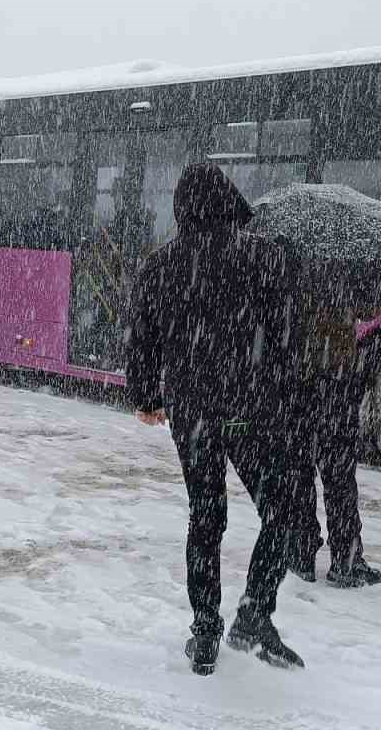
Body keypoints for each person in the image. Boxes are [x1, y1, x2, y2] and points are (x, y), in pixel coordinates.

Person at [127, 163, 302, 676]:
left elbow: (142, 339)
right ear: (230, 199)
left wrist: (146, 395)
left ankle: (205, 632)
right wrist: (282, 398)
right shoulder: (264, 258)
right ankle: (254, 612)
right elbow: (286, 342)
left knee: (206, 516)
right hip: (249, 414)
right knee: (283, 508)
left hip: (193, 414)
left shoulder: (161, 265)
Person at [288, 294, 381, 588]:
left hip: (298, 378)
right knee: (337, 475)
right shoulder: (346, 264)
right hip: (333, 378)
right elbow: (370, 308)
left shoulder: (291, 260)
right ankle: (344, 556)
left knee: (301, 470)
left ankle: (302, 552)